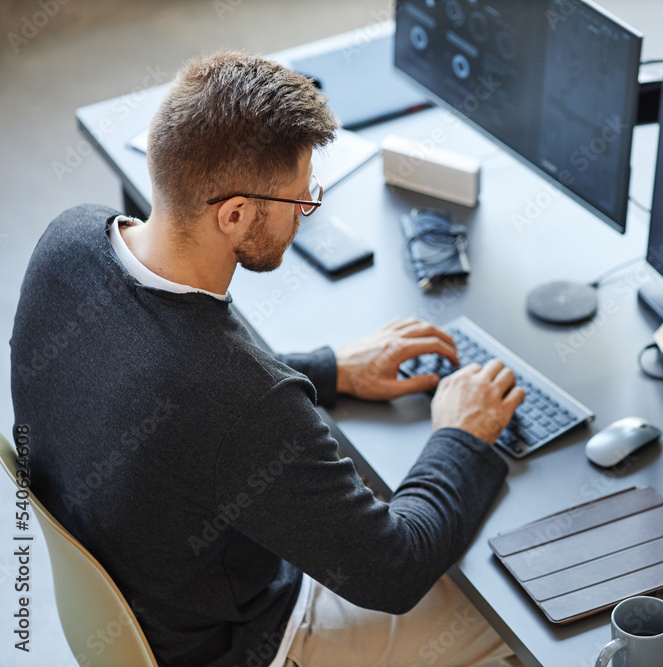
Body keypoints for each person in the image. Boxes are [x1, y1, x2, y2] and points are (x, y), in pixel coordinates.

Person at [10, 51, 525, 667]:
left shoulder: (68, 241)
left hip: (155, 605)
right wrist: (461, 436)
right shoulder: (241, 401)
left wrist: (332, 368)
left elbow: (168, 378)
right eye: (299, 201)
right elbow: (394, 570)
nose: (306, 211)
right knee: (512, 609)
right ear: (233, 215)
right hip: (246, 645)